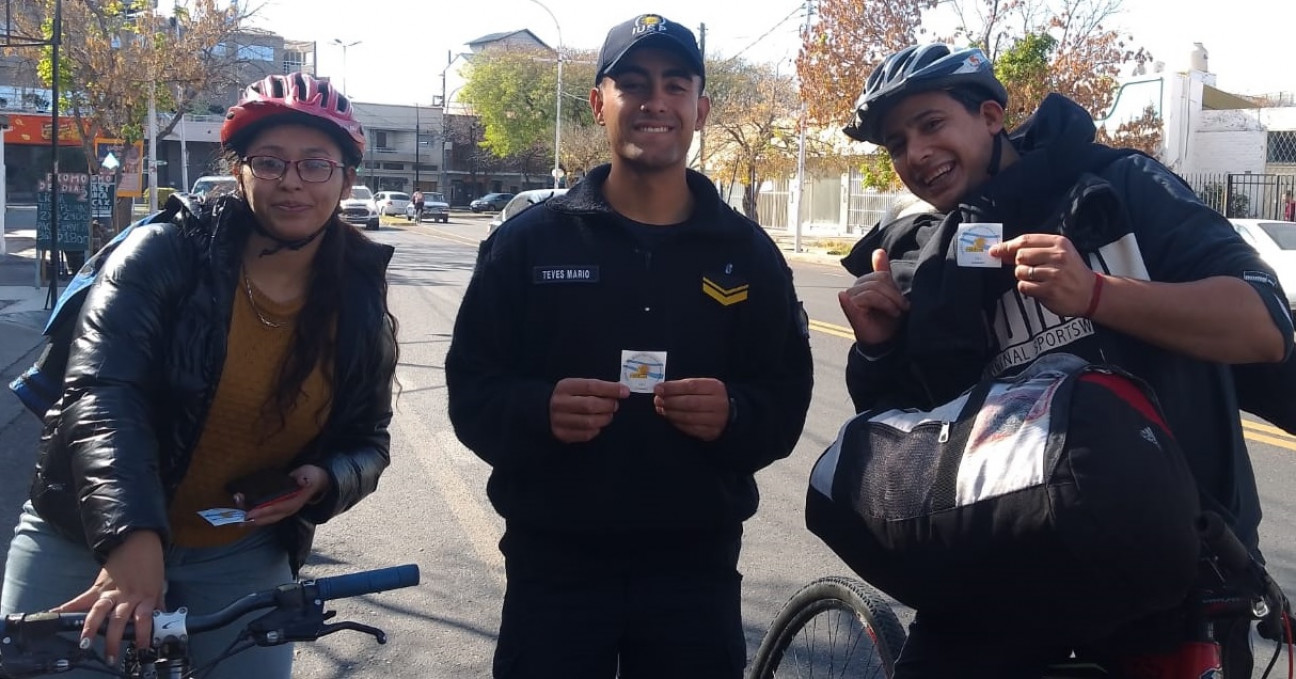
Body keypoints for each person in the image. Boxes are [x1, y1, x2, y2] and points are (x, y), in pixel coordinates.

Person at [836, 44, 1293, 678]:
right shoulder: (931, 260)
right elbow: (919, 440)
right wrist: (879, 345)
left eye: (932, 124)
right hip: (1007, 567)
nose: (914, 154)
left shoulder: (1121, 187)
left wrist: (1097, 295)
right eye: (896, 143)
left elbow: (1264, 327)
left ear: (992, 116)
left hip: (1174, 568)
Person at [445, 13, 813, 679]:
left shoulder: (749, 255)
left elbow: (785, 399)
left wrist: (734, 413)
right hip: (552, 570)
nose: (655, 102)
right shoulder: (528, 244)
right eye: (634, 84)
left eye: (676, 85)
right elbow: (471, 388)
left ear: (700, 109)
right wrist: (537, 410)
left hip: (694, 574)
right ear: (599, 103)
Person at [1, 71, 399, 679]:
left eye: (316, 164)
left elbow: (368, 440)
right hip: (85, 532)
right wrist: (132, 539)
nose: (292, 181)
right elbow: (104, 394)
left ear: (347, 179)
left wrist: (323, 479)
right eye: (270, 162)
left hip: (236, 551)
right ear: (238, 170)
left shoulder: (360, 295)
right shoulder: (164, 253)